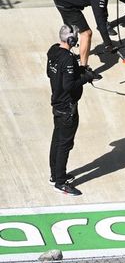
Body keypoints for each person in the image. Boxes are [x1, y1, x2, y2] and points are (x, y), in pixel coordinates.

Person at [47, 25, 100, 196]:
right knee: (65, 144)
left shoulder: (53, 52)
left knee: (57, 140)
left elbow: (52, 74)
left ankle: (55, 175)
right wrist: (86, 77)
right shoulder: (68, 58)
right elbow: (69, 85)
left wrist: (80, 71)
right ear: (70, 40)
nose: (77, 39)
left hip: (57, 103)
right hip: (67, 107)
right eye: (75, 37)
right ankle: (60, 182)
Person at [53, 0, 125, 67]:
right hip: (66, 3)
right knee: (86, 33)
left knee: (73, 32)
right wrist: (108, 44)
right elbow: (100, 23)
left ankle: (63, 55)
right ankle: (83, 69)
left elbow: (103, 11)